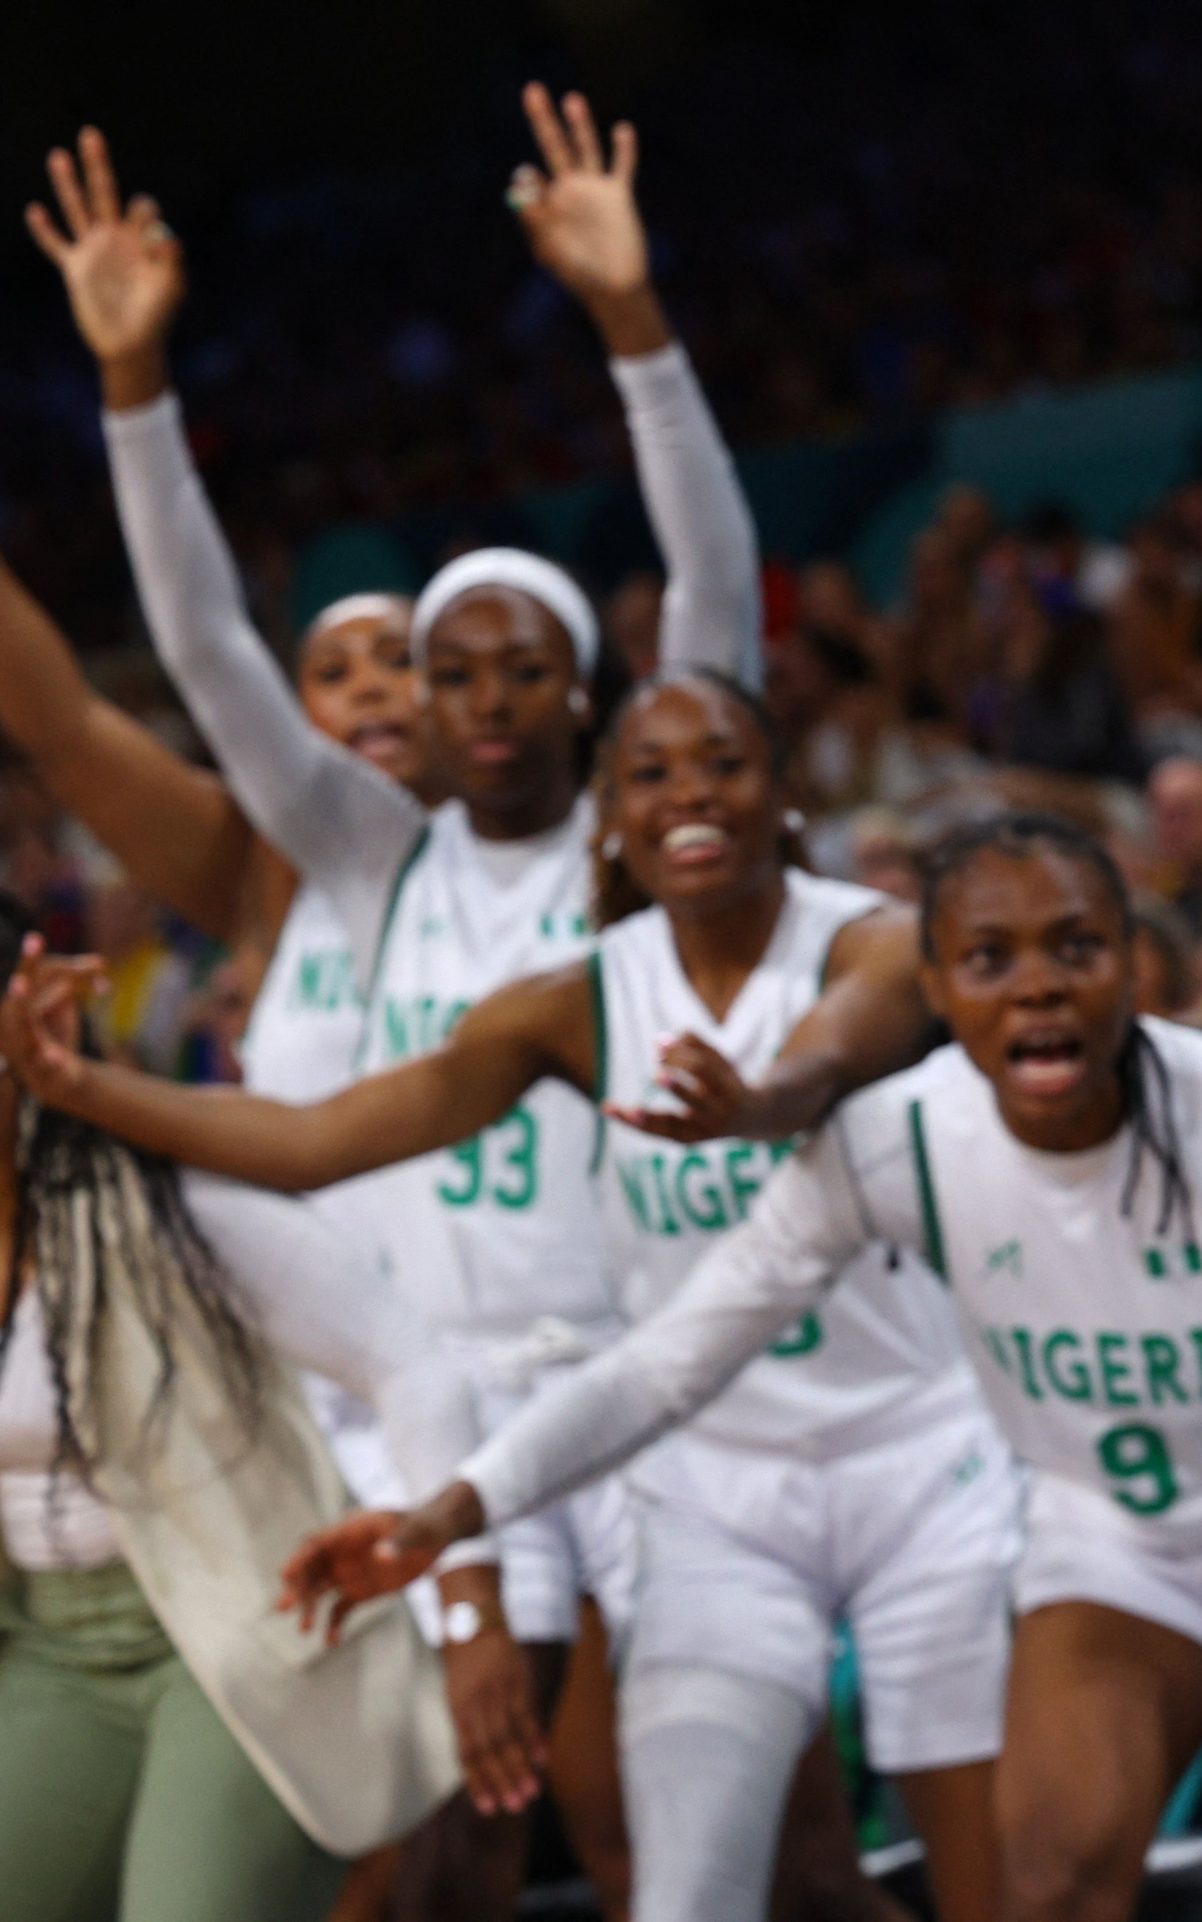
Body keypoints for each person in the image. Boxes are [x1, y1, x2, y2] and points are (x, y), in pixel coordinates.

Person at [270, 813, 1202, 1922]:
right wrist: (449, 1511)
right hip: (1114, 1542)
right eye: (990, 959)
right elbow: (666, 1364)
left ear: (1133, 967)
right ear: (934, 981)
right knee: (1042, 1885)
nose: (1037, 987)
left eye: (1076, 948)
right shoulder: (898, 1138)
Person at [31, 94, 761, 1919]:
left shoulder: (631, 850)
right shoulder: (360, 863)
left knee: (692, 1848)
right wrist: (135, 385)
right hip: (399, 1418)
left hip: (629, 1395)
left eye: (523, 668)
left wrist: (633, 325)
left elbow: (721, 615)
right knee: (434, 1852)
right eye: (442, 671)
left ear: (592, 698)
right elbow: (199, 648)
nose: (476, 697)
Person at [0, 672, 1008, 1922]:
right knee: (682, 1886)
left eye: (724, 762)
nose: (690, 791)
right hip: (705, 1464)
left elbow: (837, 1045)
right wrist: (80, 1086)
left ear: (788, 791)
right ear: (611, 819)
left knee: (1003, 1880)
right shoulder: (568, 1002)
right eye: (650, 772)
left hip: (911, 1448)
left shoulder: (866, 934)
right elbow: (315, 1138)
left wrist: (755, 1100)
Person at [0, 888, 507, 1922]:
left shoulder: (163, 1199)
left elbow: (411, 1364)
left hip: (233, 1629)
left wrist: (469, 1604)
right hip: (48, 1645)